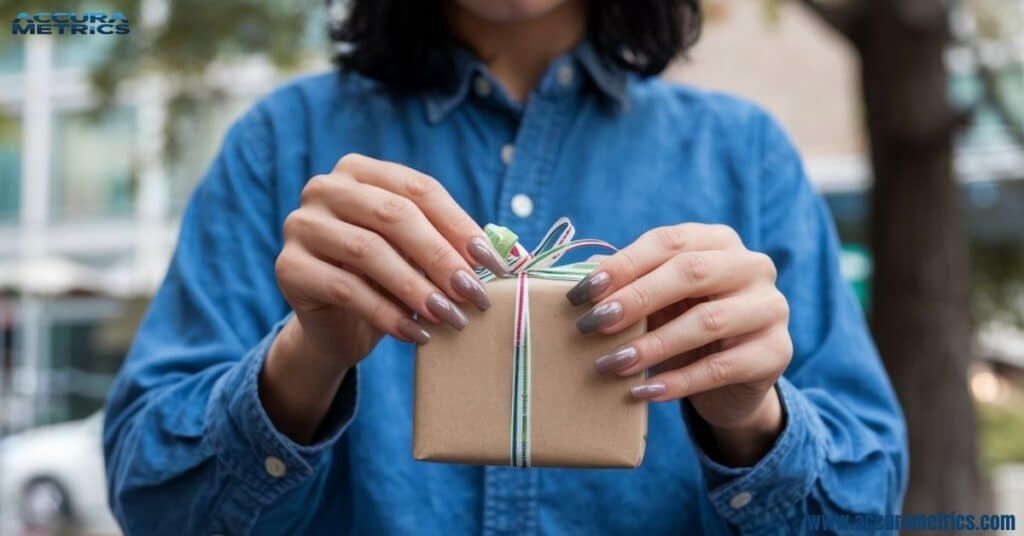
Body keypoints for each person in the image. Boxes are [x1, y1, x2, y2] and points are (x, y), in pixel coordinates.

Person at [103, 0, 908, 533]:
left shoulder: (745, 157)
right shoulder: (284, 144)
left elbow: (868, 509)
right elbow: (153, 501)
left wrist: (751, 422)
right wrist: (307, 358)